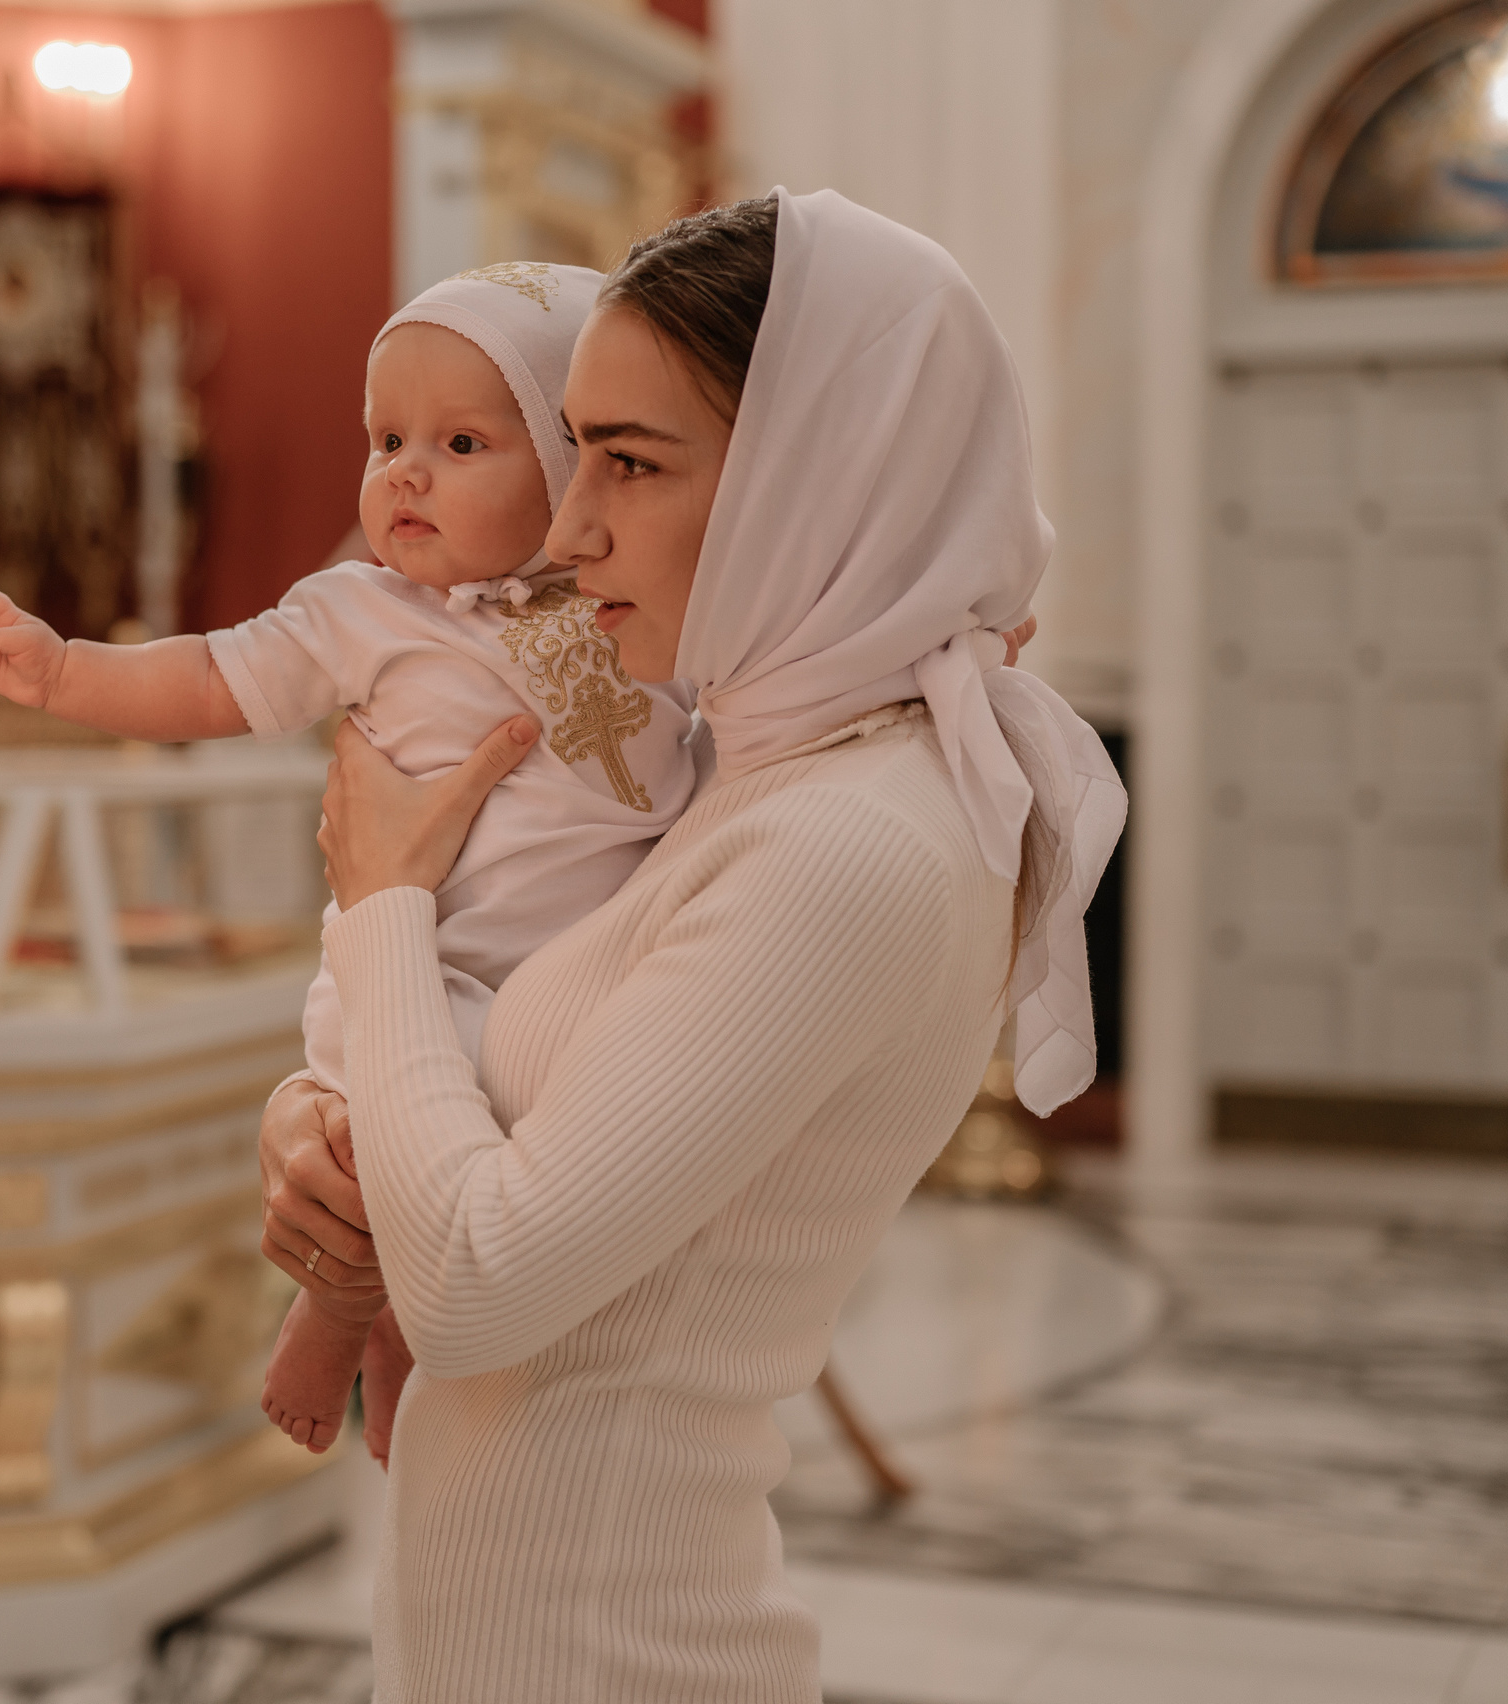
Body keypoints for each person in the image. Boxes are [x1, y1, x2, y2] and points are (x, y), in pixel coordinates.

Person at [256, 190, 1123, 1702]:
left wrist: (383, 902)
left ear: (817, 479)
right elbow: (518, 1081)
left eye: (633, 462)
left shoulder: (848, 840)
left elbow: (474, 1285)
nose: (567, 526)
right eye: (571, 449)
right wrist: (322, 1131)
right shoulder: (757, 765)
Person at [0, 264, 697, 1460]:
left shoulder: (631, 609)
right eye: (385, 440)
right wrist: (68, 669)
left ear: (571, 463)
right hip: (422, 967)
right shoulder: (364, 613)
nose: (405, 473)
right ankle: (339, 1312)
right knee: (381, 1144)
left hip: (577, 988)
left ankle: (395, 1330)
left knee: (490, 1192)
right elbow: (209, 677)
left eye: (459, 443)